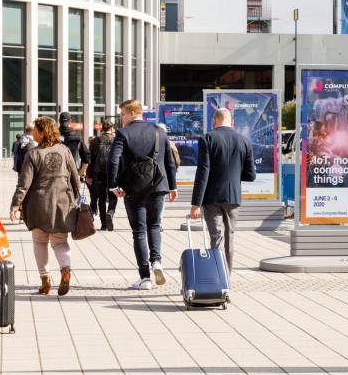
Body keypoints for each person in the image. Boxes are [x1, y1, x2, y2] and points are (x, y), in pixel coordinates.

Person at [108, 99, 179, 290]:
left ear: (132, 113)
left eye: (122, 114)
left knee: (139, 231)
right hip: (158, 185)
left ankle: (145, 277)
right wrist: (172, 187)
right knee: (154, 226)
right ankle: (157, 261)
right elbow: (170, 161)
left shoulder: (123, 133)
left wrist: (113, 185)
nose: (120, 118)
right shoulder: (159, 131)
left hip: (134, 189)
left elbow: (113, 160)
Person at [9, 117, 81, 296]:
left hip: (39, 204)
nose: (32, 132)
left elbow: (23, 183)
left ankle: (45, 279)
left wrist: (15, 205)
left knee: (39, 241)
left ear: (42, 132)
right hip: (63, 203)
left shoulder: (33, 154)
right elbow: (75, 178)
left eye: (35, 129)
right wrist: (77, 199)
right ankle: (65, 269)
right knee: (60, 241)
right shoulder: (64, 150)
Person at [191, 108, 257, 275]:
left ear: (214, 121)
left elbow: (203, 172)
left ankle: (217, 277)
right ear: (232, 122)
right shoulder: (244, 141)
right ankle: (226, 278)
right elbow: (251, 175)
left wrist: (195, 203)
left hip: (211, 197)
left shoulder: (207, 139)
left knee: (216, 237)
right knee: (229, 238)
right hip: (233, 197)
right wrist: (233, 176)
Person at [87, 118, 118, 231]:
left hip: (98, 173)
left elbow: (90, 159)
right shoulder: (115, 140)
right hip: (112, 173)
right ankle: (110, 212)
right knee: (113, 195)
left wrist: (89, 175)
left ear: (102, 128)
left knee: (101, 198)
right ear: (111, 128)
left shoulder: (95, 141)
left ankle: (104, 223)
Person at [58, 111, 90, 181]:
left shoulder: (52, 136)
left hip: (56, 173)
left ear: (59, 121)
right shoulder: (77, 136)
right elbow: (86, 156)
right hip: (73, 172)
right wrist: (83, 171)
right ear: (70, 122)